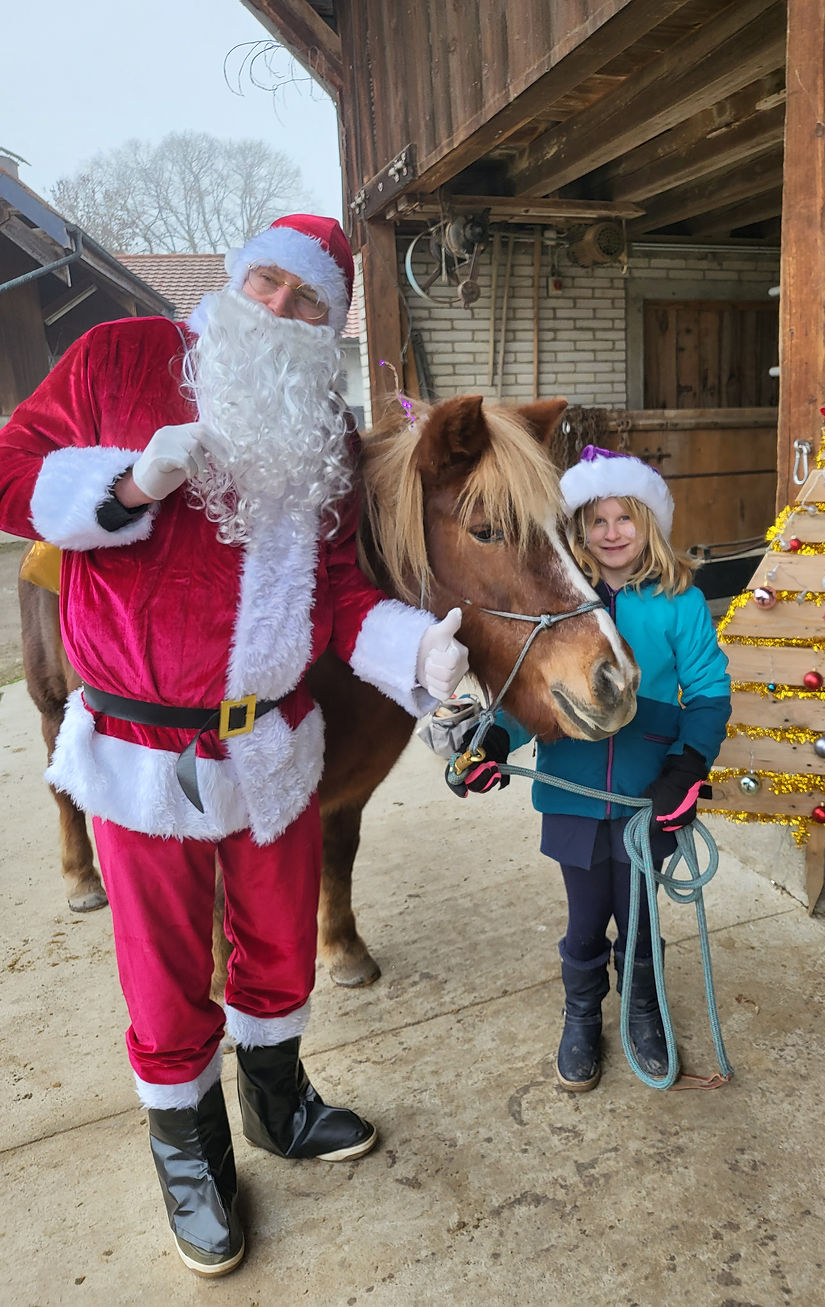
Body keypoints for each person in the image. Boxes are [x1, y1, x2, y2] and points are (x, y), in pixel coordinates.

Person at [0, 214, 469, 1276]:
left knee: (279, 944)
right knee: (168, 970)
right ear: (234, 278)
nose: (277, 309)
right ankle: (190, 1154)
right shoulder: (119, 356)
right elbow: (8, 469)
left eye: (306, 301)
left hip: (270, 744)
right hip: (145, 750)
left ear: (328, 325)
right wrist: (127, 486)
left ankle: (277, 1103)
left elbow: (338, 588)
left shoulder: (327, 430)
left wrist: (413, 649)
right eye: (266, 282)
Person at [447, 445, 730, 1092]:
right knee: (584, 920)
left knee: (639, 916)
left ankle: (642, 1010)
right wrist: (495, 742)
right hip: (571, 791)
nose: (611, 532)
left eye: (624, 517)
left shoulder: (679, 602)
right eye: (597, 520)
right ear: (579, 528)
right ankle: (581, 1015)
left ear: (648, 522)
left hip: (646, 796)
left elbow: (709, 693)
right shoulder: (557, 602)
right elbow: (533, 696)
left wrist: (687, 767)